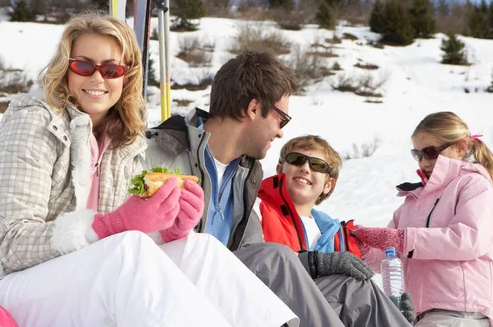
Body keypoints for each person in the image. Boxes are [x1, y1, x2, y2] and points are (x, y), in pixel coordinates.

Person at [0, 12, 297, 327]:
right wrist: (112, 226)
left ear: (128, 76)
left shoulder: (125, 141)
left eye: (112, 69)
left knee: (201, 248)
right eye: (84, 66)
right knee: (126, 250)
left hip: (66, 282)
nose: (98, 78)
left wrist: (170, 231)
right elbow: (14, 244)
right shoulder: (35, 122)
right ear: (66, 70)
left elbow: (120, 249)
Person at [144, 50, 412, 327]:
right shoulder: (162, 151)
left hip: (233, 295)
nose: (282, 132)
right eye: (281, 119)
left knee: (352, 289)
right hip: (180, 296)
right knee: (275, 256)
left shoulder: (244, 173)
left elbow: (256, 258)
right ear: (253, 108)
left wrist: (315, 264)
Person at [259, 135, 416, 326]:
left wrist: (390, 311)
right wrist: (314, 263)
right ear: (279, 170)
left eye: (317, 165)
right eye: (296, 159)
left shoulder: (338, 236)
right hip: (272, 313)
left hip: (324, 318)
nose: (305, 168)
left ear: (328, 184)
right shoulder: (257, 210)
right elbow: (250, 263)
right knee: (353, 288)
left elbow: (355, 304)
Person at [354, 111, 493, 327]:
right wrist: (362, 246)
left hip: (459, 313)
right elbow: (391, 255)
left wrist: (401, 239)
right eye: (417, 154)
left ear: (460, 147)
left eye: (430, 152)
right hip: (419, 315)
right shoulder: (412, 202)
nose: (423, 161)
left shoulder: (473, 185)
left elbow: (469, 240)